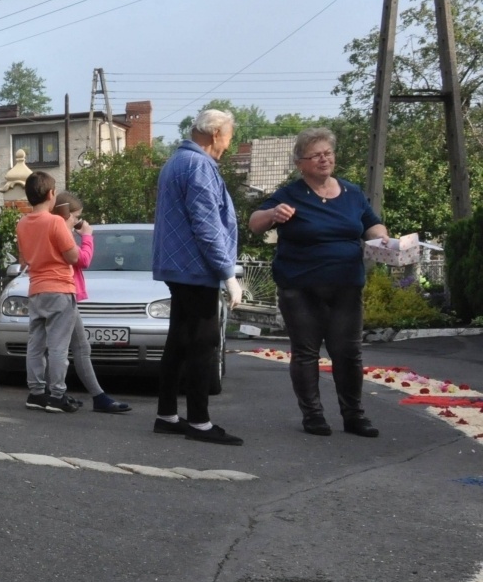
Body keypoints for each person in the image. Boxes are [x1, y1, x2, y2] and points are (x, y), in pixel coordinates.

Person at [248, 128, 389, 437]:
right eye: (316, 155)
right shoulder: (290, 194)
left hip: (346, 286)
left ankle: (354, 416)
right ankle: (313, 415)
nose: (324, 159)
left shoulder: (351, 194)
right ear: (300, 162)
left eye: (328, 153)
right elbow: (255, 223)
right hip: (300, 288)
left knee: (348, 353)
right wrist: (273, 213)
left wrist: (382, 239)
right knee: (306, 352)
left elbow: (373, 224)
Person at [151, 109, 243, 445]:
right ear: (216, 133)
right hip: (195, 268)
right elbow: (207, 226)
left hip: (180, 266)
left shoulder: (177, 161)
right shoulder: (199, 165)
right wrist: (228, 274)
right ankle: (200, 422)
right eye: (229, 137)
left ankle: (167, 415)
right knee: (203, 345)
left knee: (179, 341)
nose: (228, 146)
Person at [53, 192, 132, 414]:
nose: (79, 222)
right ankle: (59, 394)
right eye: (76, 217)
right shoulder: (62, 232)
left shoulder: (58, 230)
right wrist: (87, 236)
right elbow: (83, 260)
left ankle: (97, 396)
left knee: (79, 347)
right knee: (65, 348)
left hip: (64, 292)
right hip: (65, 292)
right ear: (67, 214)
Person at [14, 171, 82, 413]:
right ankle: (57, 395)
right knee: (58, 346)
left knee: (35, 344)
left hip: (36, 289)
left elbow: (24, 258)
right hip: (60, 289)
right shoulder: (55, 222)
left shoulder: (21, 223)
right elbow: (73, 256)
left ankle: (36, 393)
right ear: (51, 194)